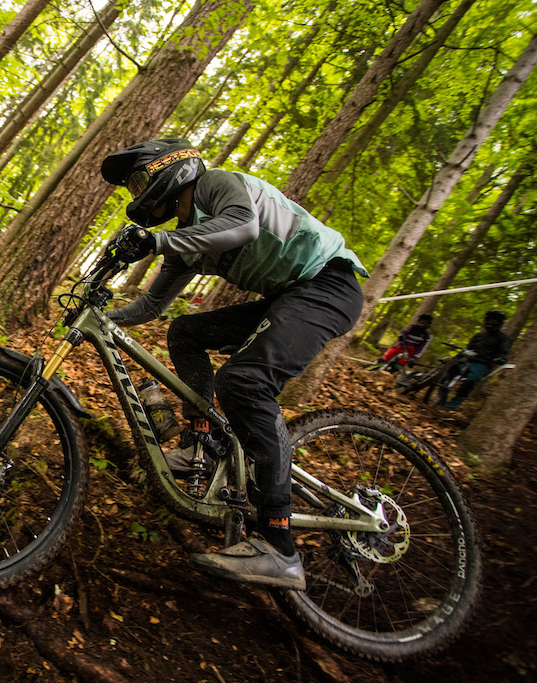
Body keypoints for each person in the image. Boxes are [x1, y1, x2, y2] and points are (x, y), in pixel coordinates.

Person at [101, 138, 368, 590]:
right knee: (185, 333)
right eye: (131, 188)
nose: (136, 191)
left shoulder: (217, 185)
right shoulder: (185, 240)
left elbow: (242, 226)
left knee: (243, 383)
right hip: (289, 297)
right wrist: (100, 316)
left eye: (139, 180)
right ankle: (199, 442)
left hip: (328, 286)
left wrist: (157, 240)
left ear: (170, 167)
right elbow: (151, 306)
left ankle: (278, 545)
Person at [439, 310, 512, 408]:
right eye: (489, 320)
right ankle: (440, 400)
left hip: (483, 364)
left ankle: (452, 405)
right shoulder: (479, 335)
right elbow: (468, 348)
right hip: (467, 360)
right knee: (447, 375)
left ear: (500, 323)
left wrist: (501, 359)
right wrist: (457, 357)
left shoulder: (503, 339)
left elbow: (505, 353)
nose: (491, 323)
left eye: (494, 321)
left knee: (469, 382)